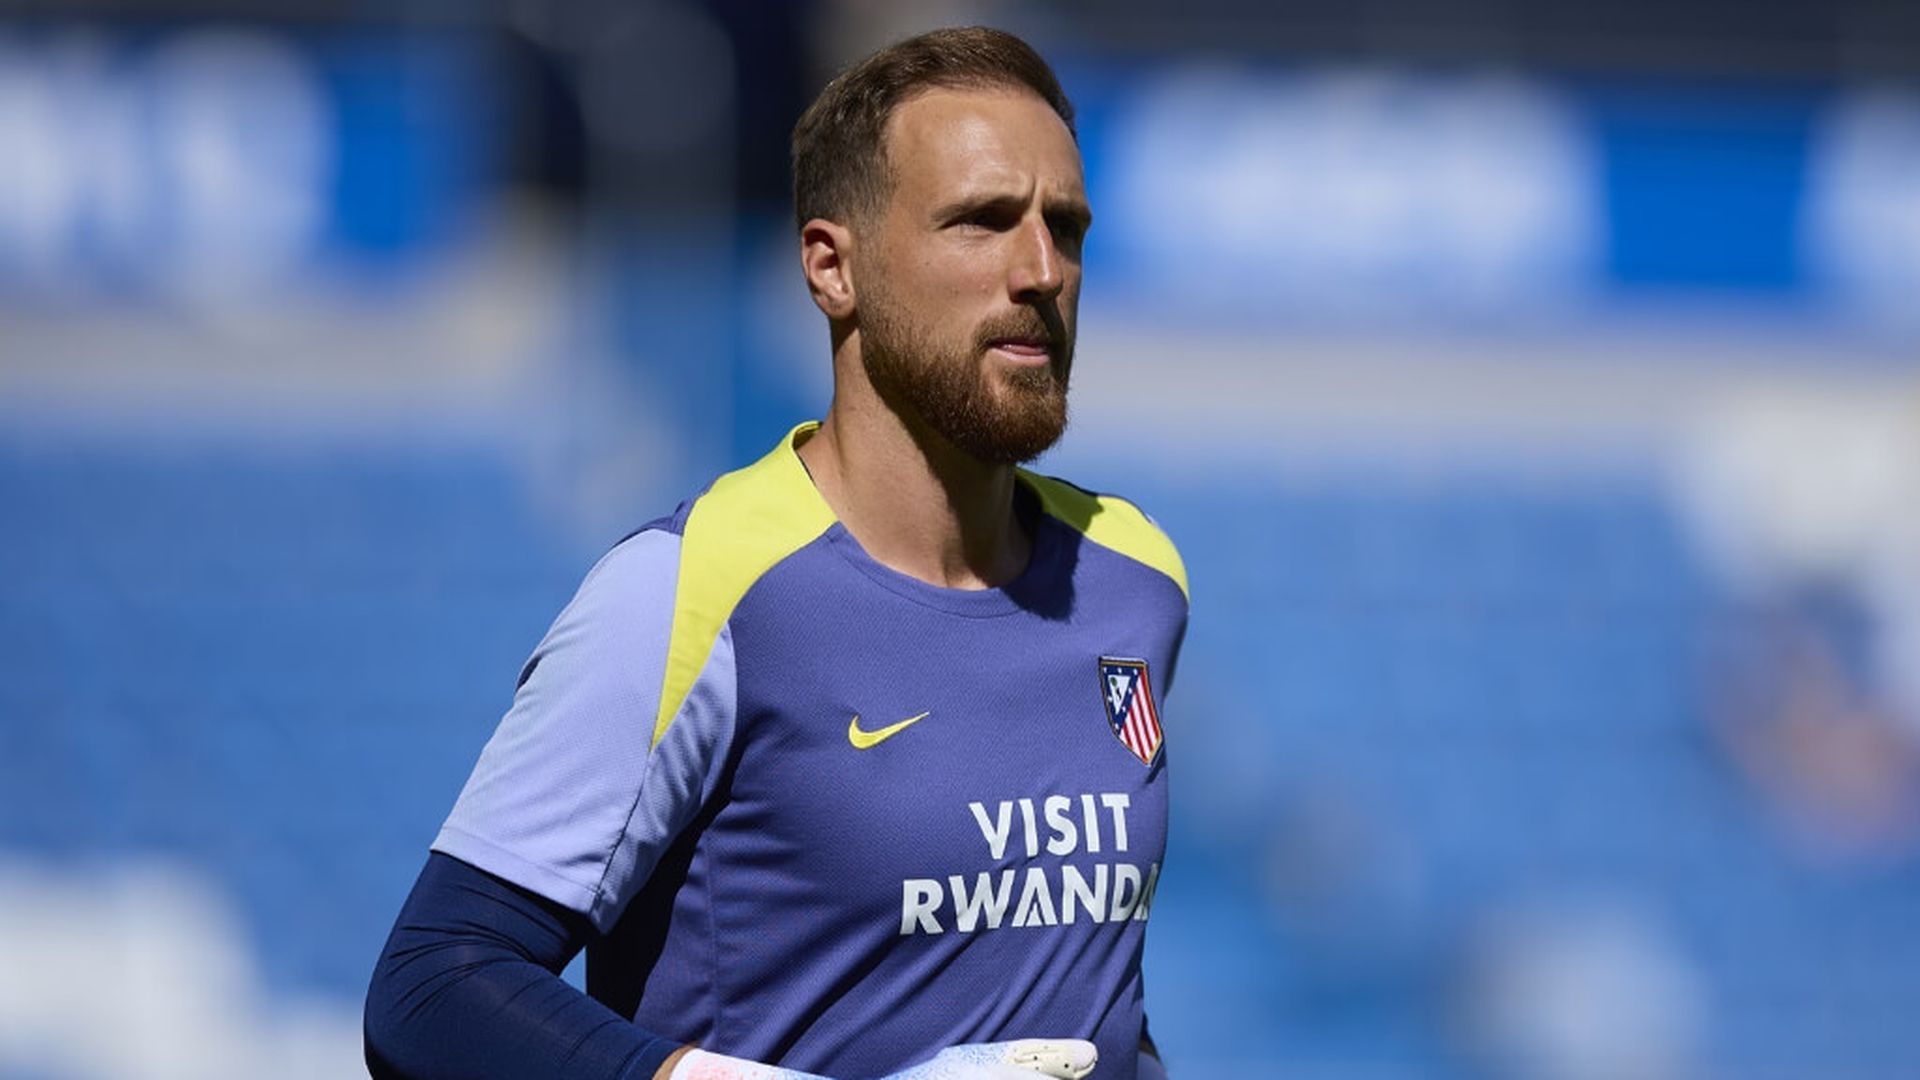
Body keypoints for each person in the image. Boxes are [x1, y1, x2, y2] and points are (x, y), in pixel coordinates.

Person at [364, 26, 1187, 1080]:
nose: (1040, 271)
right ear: (831, 268)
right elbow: (434, 987)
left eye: (1065, 229)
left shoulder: (1132, 576)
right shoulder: (690, 588)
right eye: (982, 222)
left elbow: (1093, 1001)